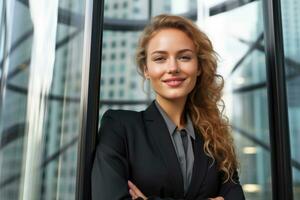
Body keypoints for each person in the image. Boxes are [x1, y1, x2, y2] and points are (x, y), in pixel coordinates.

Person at [92, 14, 245, 200]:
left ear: (198, 67)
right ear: (146, 69)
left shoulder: (213, 135)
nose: (173, 67)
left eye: (184, 57)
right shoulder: (119, 126)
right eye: (160, 59)